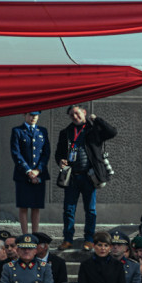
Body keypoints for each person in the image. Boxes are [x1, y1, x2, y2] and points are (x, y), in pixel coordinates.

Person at [54, 105, 118, 251]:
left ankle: (89, 239)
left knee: (90, 210)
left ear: (83, 112)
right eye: (71, 115)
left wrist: (98, 120)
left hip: (89, 176)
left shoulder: (93, 128)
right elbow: (58, 153)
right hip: (71, 177)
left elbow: (112, 132)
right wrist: (60, 161)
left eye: (76, 113)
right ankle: (67, 239)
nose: (75, 117)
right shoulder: (66, 132)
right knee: (68, 210)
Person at [10, 111, 51, 234]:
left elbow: (46, 152)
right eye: (30, 115)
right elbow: (16, 153)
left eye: (36, 115)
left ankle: (35, 234)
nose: (33, 117)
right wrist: (28, 171)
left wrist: (38, 170)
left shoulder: (42, 131)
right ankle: (25, 234)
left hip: (39, 173)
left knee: (36, 206)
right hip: (23, 174)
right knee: (23, 206)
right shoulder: (17, 131)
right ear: (24, 115)